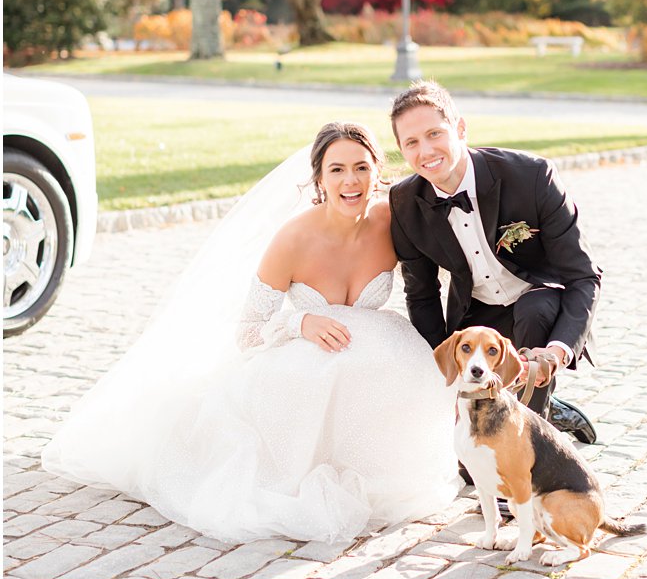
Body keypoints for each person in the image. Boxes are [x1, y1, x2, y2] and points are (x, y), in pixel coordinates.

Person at [43, 122, 460, 544]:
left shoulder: (392, 220)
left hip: (369, 353)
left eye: (360, 168)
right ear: (319, 177)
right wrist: (301, 322)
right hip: (301, 359)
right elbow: (247, 332)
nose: (350, 181)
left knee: (403, 373)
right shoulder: (294, 239)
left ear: (377, 171)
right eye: (336, 170)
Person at [387, 81, 600, 447]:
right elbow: (421, 296)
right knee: (466, 462)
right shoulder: (406, 201)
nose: (426, 150)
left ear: (461, 129)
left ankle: (528, 439)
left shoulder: (533, 176)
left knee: (533, 312)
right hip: (478, 315)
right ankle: (548, 410)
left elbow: (583, 276)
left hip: (538, 302)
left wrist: (559, 350)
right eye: (411, 142)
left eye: (434, 134)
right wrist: (447, 377)